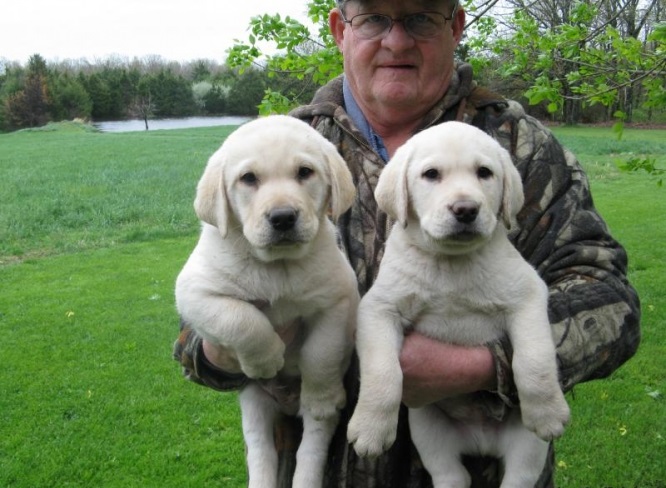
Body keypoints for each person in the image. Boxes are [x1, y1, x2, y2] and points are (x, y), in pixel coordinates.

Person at [174, 0, 641, 486]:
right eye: (374, 18)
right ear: (339, 29)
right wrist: (226, 349)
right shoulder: (290, 145)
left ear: (456, 26)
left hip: (480, 464)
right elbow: (195, 336)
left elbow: (612, 305)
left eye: (420, 18)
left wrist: (482, 365)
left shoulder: (515, 148)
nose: (396, 41)